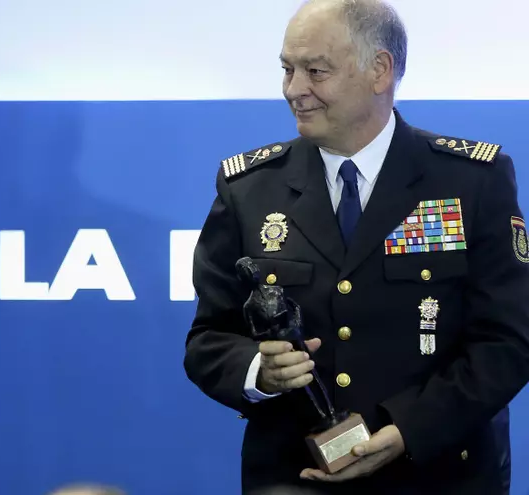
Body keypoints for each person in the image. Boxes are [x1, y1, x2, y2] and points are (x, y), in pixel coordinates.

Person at [183, 0, 529, 494]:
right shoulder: (248, 188)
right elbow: (208, 339)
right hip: (294, 476)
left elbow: (508, 342)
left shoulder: (472, 181)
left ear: (379, 70)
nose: (293, 90)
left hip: (439, 472)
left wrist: (407, 430)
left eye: (315, 71)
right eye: (287, 69)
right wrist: (261, 370)